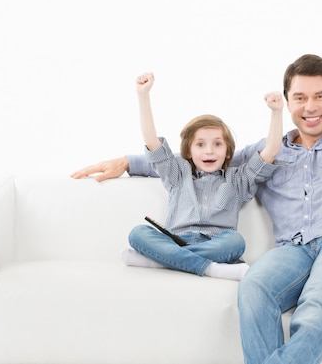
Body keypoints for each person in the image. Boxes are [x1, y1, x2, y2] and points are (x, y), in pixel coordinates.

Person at [72, 0, 322, 364]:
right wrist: (128, 162)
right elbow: (201, 163)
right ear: (287, 103)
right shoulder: (267, 153)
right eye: (300, 98)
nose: (310, 106)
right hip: (295, 250)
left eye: (319, 96)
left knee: (315, 307)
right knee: (253, 288)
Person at [121, 72, 284, 280]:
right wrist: (143, 96)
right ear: (189, 151)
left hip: (216, 244)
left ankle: (163, 261)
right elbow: (152, 142)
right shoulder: (178, 174)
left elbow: (270, 152)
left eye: (217, 144)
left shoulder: (237, 180)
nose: (209, 151)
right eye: (200, 144)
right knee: (138, 233)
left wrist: (276, 112)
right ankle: (209, 268)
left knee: (235, 241)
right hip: (174, 241)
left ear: (227, 151)